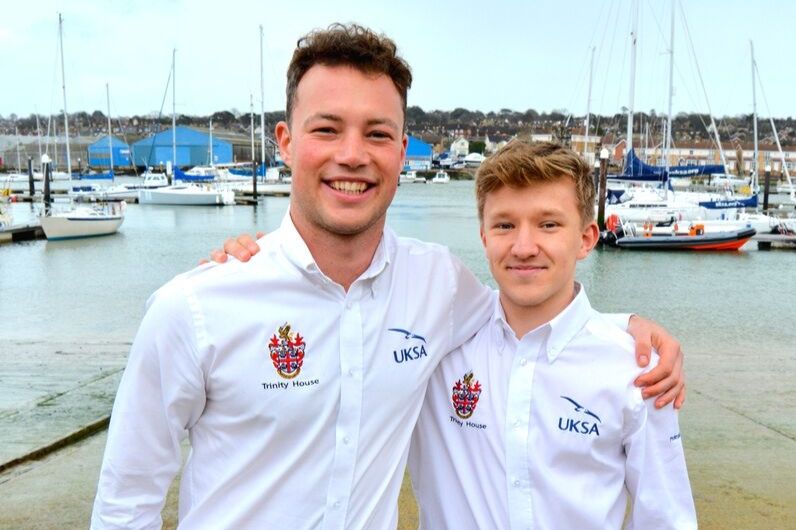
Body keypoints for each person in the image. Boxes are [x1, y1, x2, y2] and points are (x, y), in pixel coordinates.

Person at [93, 23, 684, 530]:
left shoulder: (440, 286)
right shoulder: (196, 306)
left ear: (402, 150)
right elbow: (127, 501)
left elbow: (534, 311)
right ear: (286, 141)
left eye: (377, 133)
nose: (353, 154)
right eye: (327, 129)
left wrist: (631, 327)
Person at [407, 141, 696, 528]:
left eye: (549, 224)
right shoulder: (439, 342)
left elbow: (664, 518)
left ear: (586, 239)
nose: (524, 247)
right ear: (484, 237)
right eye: (505, 225)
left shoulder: (638, 371)